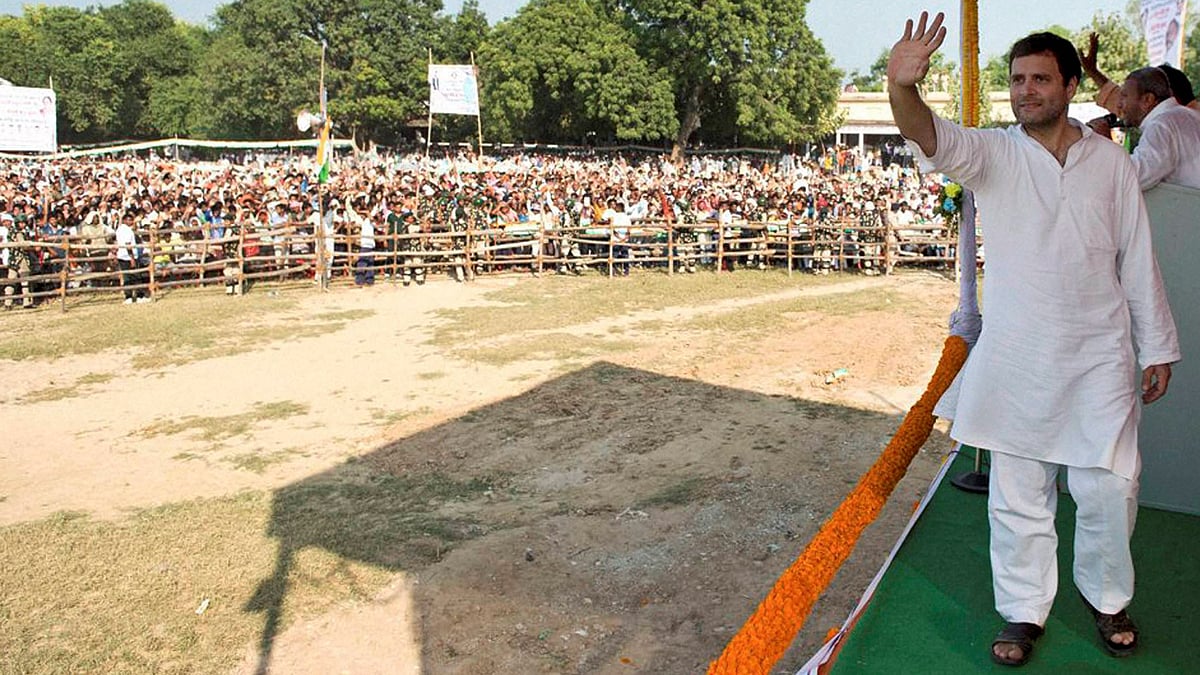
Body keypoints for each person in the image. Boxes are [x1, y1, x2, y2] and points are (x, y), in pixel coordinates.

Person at [888, 13, 1180, 666]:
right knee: (1019, 494)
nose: (1026, 91)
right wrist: (903, 88)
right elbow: (928, 134)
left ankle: (1107, 598)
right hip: (1019, 358)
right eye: (1018, 80)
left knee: (1110, 486)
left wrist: (1156, 344)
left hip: (1101, 354)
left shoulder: (1111, 163)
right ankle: (1023, 612)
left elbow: (1137, 257)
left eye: (1040, 79)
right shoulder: (993, 155)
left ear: (1071, 85)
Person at [1088, 67, 1200, 190]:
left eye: (1124, 96)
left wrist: (1105, 143)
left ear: (1147, 100)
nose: (1119, 104)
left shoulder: (1161, 125)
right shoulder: (1190, 115)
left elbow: (1134, 178)